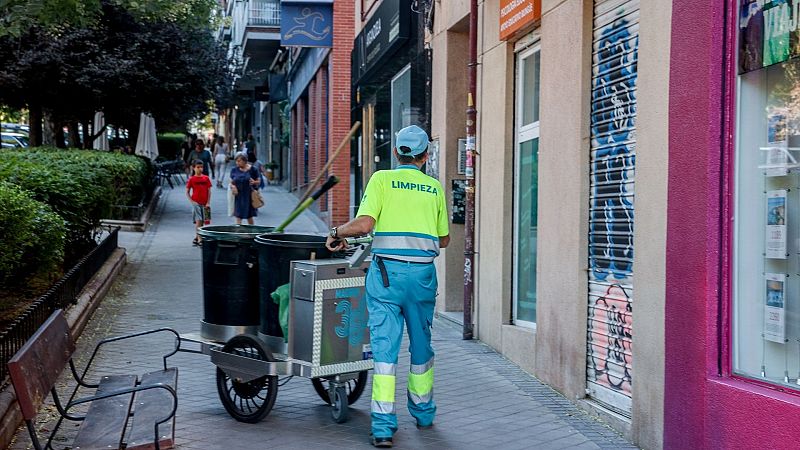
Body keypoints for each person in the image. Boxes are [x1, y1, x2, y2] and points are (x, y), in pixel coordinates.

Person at [325, 125, 450, 448]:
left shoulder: (382, 180)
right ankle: (423, 413)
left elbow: (365, 224)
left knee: (385, 349)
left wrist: (338, 232)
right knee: (421, 347)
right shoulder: (434, 188)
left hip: (386, 278)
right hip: (422, 278)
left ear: (396, 153)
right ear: (425, 155)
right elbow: (444, 239)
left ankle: (383, 427)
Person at [186, 160, 212, 246]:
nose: (200, 169)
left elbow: (209, 191)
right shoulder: (192, 179)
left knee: (205, 221)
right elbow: (187, 191)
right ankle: (200, 239)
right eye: (198, 167)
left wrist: (208, 202)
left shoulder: (206, 178)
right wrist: (192, 201)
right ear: (193, 168)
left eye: (201, 167)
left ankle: (197, 237)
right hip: (196, 202)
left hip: (205, 203)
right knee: (198, 220)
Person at [229, 153, 261, 224]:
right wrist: (233, 186)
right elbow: (231, 182)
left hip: (249, 195)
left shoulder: (253, 169)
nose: (237, 163)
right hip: (238, 195)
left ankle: (251, 232)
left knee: (249, 216)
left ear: (245, 161)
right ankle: (238, 233)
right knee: (238, 216)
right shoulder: (234, 170)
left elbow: (259, 181)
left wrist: (254, 182)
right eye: (236, 161)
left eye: (239, 161)